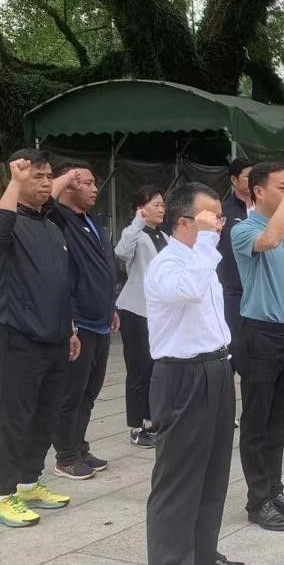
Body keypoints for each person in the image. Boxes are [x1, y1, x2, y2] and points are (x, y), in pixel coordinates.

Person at [144, 183, 244, 565]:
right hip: (182, 375)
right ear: (185, 222)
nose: (219, 224)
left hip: (216, 368)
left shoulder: (202, 259)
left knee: (214, 469)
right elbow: (187, 291)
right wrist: (206, 242)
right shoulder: (167, 263)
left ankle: (202, 553)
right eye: (211, 217)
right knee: (180, 475)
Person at [0, 151, 79, 528]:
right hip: (18, 335)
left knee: (44, 415)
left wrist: (70, 329)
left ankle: (29, 482)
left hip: (55, 335)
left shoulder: (51, 226)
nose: (45, 182)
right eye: (36, 176)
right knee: (14, 418)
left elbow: (59, 283)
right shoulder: (6, 222)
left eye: (47, 176)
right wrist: (15, 181)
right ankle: (3, 495)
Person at [232, 162, 284, 531]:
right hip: (260, 335)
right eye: (280, 186)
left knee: (281, 418)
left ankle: (274, 489)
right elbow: (270, 239)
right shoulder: (244, 230)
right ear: (258, 191)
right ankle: (258, 500)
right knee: (257, 420)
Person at [48, 165, 115, 479]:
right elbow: (44, 201)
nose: (94, 188)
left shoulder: (92, 221)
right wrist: (64, 178)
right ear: (69, 187)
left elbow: (103, 270)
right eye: (86, 183)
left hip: (101, 319)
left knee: (89, 392)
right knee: (71, 393)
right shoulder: (58, 219)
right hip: (79, 322)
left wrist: (111, 307)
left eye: (93, 182)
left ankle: (79, 445)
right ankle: (66, 455)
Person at [116, 185, 168, 447]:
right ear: (141, 208)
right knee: (138, 369)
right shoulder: (134, 233)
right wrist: (137, 222)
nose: (162, 209)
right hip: (136, 310)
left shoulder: (164, 236)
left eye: (162, 204)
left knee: (155, 368)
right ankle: (136, 427)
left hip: (158, 312)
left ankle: (152, 421)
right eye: (156, 204)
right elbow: (121, 252)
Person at [217, 156, 253, 357]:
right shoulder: (223, 211)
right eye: (248, 177)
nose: (253, 180)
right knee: (233, 348)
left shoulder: (265, 210)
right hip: (232, 291)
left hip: (259, 291)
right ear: (234, 180)